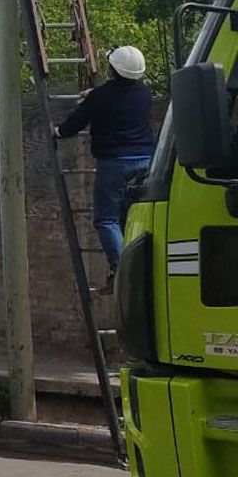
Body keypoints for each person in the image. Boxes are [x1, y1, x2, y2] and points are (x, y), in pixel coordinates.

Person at [53, 45, 155, 294]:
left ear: (113, 70)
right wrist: (93, 94)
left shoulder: (100, 97)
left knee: (107, 219)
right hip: (146, 161)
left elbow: (74, 124)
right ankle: (136, 272)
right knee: (130, 219)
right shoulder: (145, 94)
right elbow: (119, 96)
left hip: (114, 163)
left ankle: (122, 272)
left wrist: (57, 132)